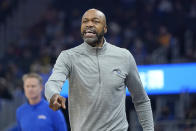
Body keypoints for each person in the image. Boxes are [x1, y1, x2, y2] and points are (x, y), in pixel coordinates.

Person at [45, 8, 154, 131]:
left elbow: (141, 100)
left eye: (95, 21)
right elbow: (53, 82)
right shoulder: (68, 57)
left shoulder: (124, 56)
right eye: (85, 21)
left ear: (105, 28)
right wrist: (53, 96)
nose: (89, 24)